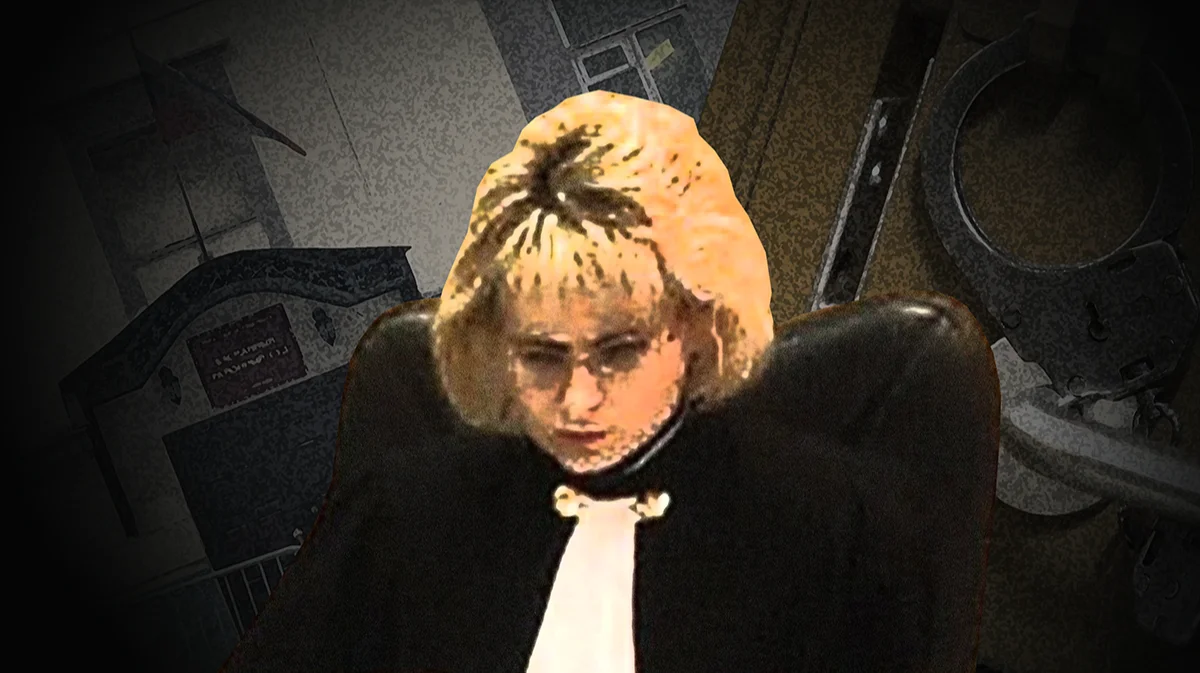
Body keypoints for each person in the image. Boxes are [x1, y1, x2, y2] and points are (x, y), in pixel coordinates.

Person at [221, 91, 999, 673]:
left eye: (619, 351)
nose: (578, 400)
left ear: (696, 326)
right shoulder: (404, 515)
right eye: (542, 355)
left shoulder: (840, 532)